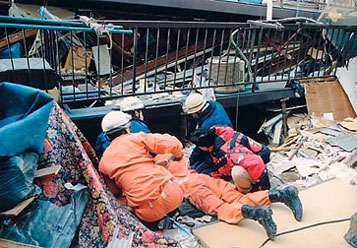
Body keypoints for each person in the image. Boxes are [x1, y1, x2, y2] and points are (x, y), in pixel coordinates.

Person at [155, 154, 303, 240]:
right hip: (201, 178)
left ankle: (257, 213)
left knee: (221, 208)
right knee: (239, 198)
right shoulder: (170, 151)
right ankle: (282, 195)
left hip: (190, 187)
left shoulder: (154, 164)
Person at [99, 111, 185, 223]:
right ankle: (173, 213)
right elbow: (173, 144)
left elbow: (114, 191)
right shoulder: (136, 138)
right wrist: (179, 156)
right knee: (162, 160)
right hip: (173, 196)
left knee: (122, 199)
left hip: (148, 212)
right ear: (127, 129)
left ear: (107, 136)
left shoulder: (103, 162)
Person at [189, 126, 271, 194]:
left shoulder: (229, 153)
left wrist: (263, 190)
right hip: (257, 153)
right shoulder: (220, 132)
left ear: (204, 147)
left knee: (237, 172)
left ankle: (247, 191)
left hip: (256, 163)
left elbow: (256, 162)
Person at [183, 92, 233, 174]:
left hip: (221, 148)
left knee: (197, 170)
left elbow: (200, 148)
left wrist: (191, 161)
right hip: (228, 140)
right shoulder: (217, 105)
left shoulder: (208, 125)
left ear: (198, 111)